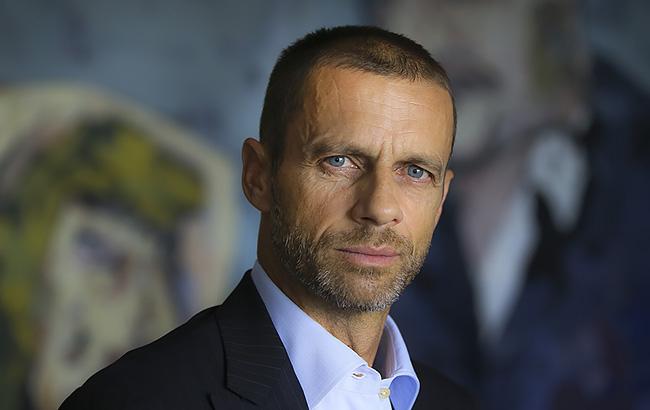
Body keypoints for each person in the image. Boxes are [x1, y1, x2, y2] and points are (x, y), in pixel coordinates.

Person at [60, 25, 476, 410]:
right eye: (339, 161)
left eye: (415, 171)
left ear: (441, 199)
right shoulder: (131, 400)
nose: (380, 208)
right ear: (258, 177)